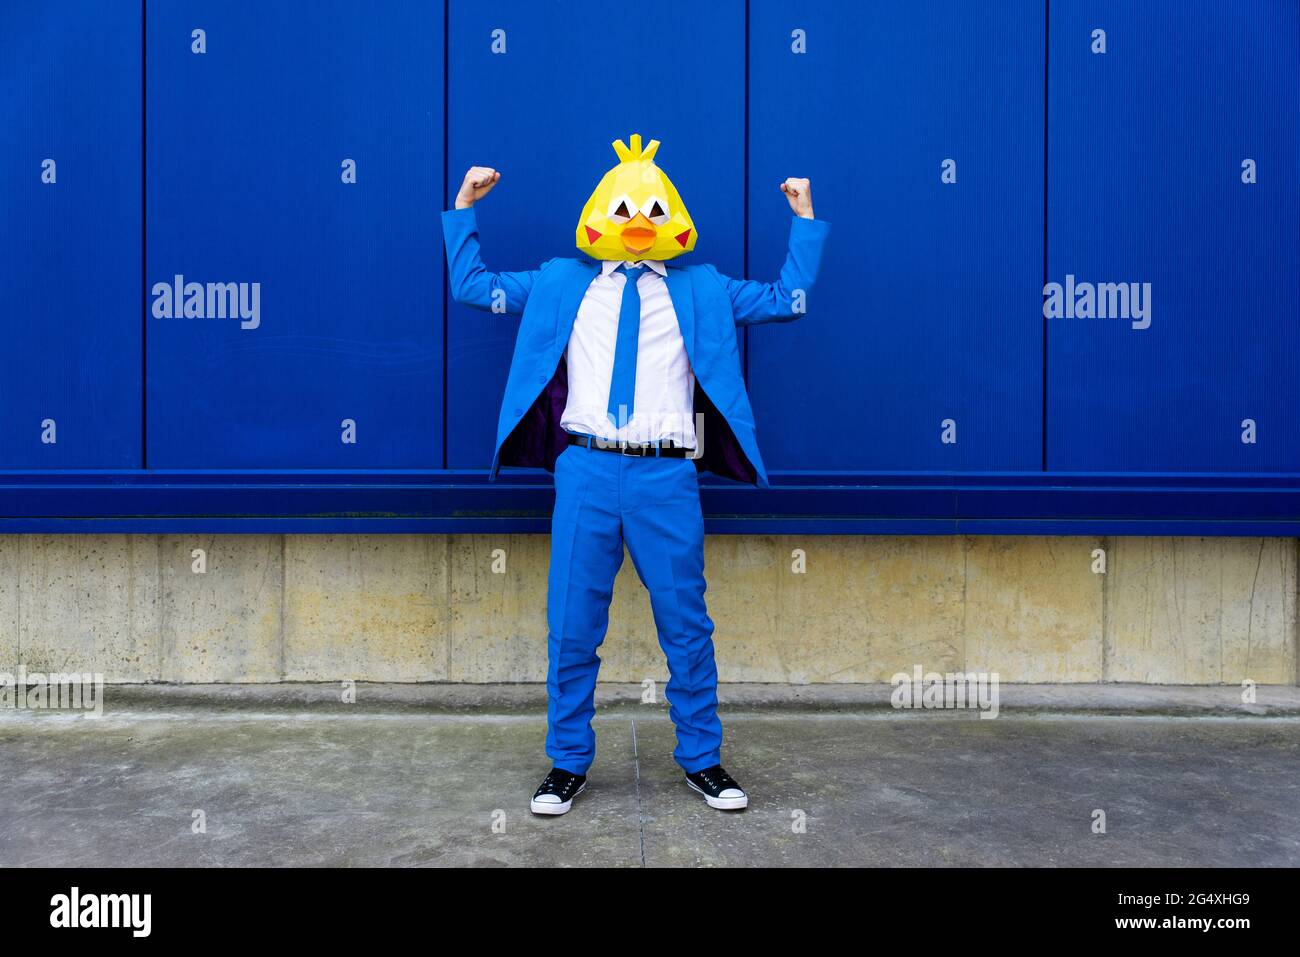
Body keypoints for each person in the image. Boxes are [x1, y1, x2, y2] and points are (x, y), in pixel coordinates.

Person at [442, 134, 830, 815]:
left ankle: (703, 759)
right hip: (585, 470)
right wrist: (464, 206)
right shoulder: (561, 281)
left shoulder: (702, 288)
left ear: (673, 218)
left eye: (651, 210)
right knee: (571, 625)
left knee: (686, 624)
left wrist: (803, 220)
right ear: (598, 216)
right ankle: (566, 762)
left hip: (665, 477)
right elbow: (474, 287)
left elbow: (786, 300)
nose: (637, 221)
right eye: (623, 210)